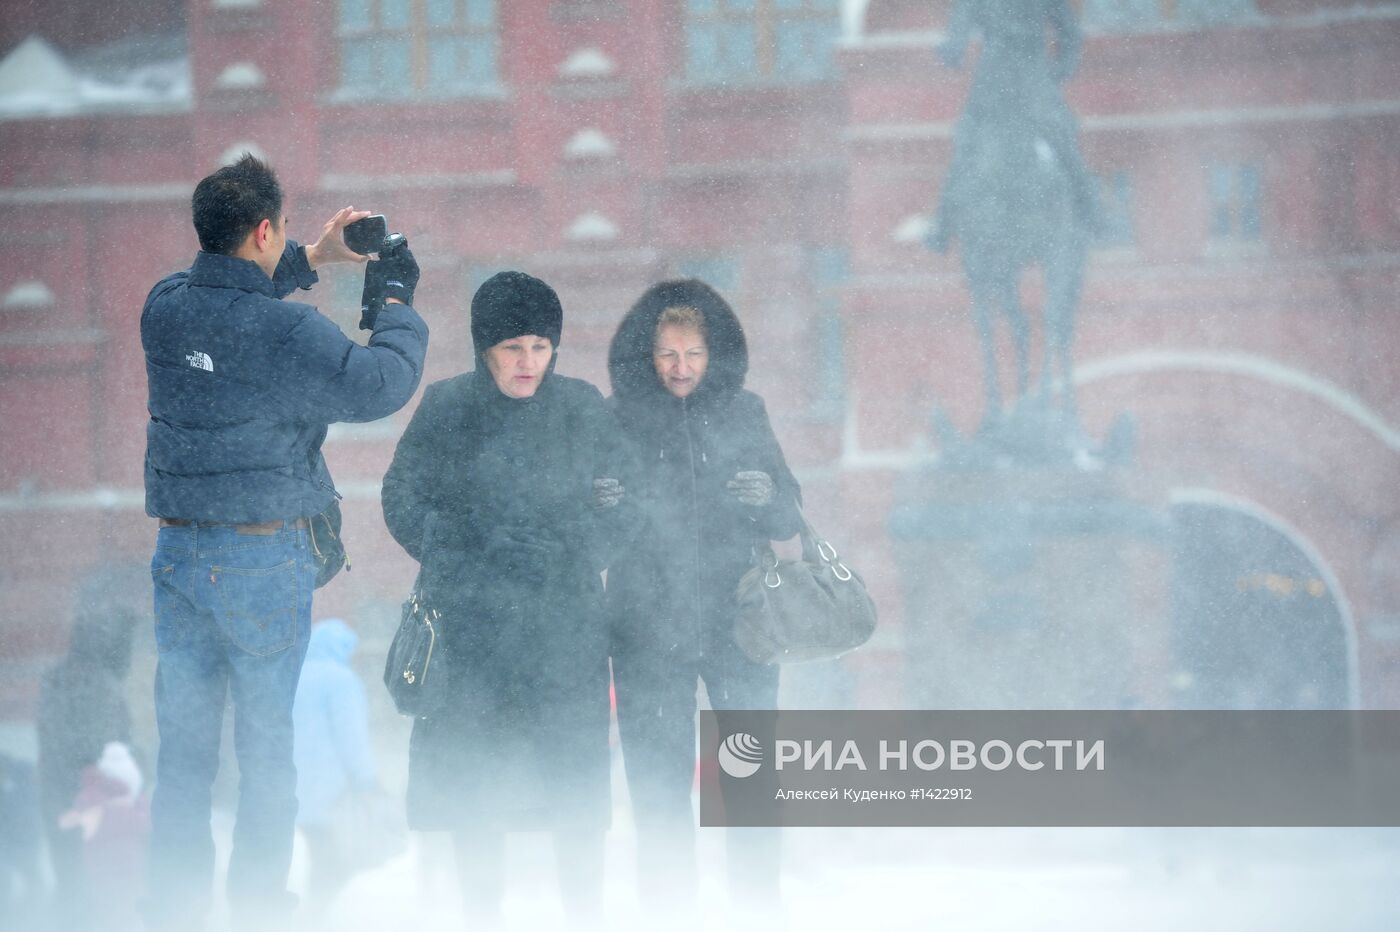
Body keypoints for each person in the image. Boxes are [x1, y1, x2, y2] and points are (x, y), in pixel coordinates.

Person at [140, 153, 428, 930]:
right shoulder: (285, 331)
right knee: (268, 755)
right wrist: (394, 297)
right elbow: (381, 384)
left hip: (178, 559)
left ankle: (174, 910)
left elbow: (226, 302)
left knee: (185, 755)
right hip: (261, 561)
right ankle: (260, 910)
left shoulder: (164, 308)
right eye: (285, 231)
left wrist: (312, 258)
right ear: (263, 228)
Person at [381, 270, 630, 925]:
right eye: (513, 347)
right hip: (474, 642)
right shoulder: (447, 407)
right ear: (483, 347)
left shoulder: (582, 408)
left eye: (541, 348)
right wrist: (465, 542)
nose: (528, 363)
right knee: (476, 804)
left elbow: (625, 500)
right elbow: (401, 497)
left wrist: (574, 544)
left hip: (565, 643)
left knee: (575, 804)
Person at [605, 280, 801, 914]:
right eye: (667, 355)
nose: (681, 368)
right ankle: (668, 914)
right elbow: (592, 525)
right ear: (648, 357)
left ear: (713, 356)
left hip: (737, 622)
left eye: (692, 354)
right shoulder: (616, 417)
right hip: (646, 626)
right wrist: (606, 505)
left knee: (749, 780)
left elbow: (789, 511)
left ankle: (757, 911)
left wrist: (765, 497)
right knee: (658, 786)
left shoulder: (747, 412)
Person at [929, 0, 1099, 252]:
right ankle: (1094, 215)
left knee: (967, 150)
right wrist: (1061, 69)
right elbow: (1070, 34)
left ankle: (943, 226)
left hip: (1006, 81)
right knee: (1063, 144)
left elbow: (1070, 33)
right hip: (1022, 80)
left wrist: (951, 51)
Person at [35, 604, 139, 930]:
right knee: (96, 883)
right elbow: (113, 747)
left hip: (58, 794)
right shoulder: (102, 686)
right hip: (94, 801)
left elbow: (51, 739)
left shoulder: (54, 679)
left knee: (70, 876)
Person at [291, 618, 383, 914]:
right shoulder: (341, 681)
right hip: (331, 789)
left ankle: (311, 913)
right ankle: (314, 915)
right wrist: (365, 778)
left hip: (294, 785)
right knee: (336, 862)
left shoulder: (294, 676)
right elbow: (351, 735)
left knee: (322, 855)